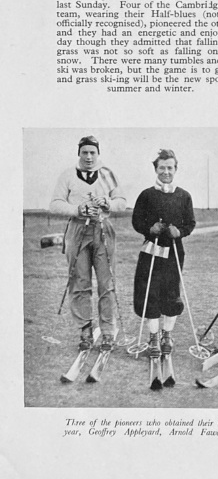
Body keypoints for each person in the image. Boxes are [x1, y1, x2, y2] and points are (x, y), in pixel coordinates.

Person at [50, 135, 127, 350]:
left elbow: (122, 201)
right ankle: (85, 330)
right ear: (79, 153)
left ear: (98, 153)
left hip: (102, 229)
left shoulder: (107, 174)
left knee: (106, 282)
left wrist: (107, 202)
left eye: (93, 152)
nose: (89, 157)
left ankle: (108, 332)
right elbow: (55, 204)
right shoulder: (68, 175)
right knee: (79, 281)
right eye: (85, 152)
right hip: (77, 229)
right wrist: (77, 209)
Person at [132, 149, 195, 357]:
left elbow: (190, 223)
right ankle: (153, 336)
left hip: (174, 251)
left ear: (175, 169)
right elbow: (136, 221)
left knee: (171, 292)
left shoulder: (183, 195)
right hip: (151, 251)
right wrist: (149, 229)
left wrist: (180, 232)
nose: (166, 172)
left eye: (170, 168)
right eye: (162, 168)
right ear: (155, 169)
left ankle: (167, 335)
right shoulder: (146, 195)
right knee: (149, 292)